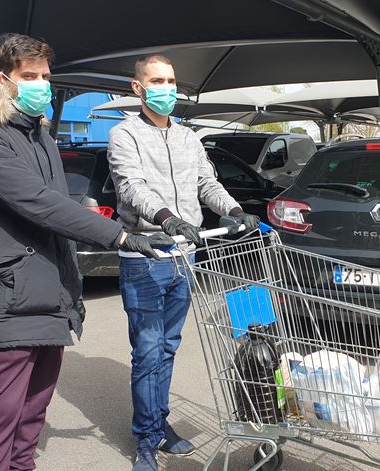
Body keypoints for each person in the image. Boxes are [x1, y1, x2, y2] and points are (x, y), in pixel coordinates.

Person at [0, 33, 172, 471]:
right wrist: (119, 235)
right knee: (1, 417)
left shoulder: (39, 135)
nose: (41, 84)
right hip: (5, 294)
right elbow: (37, 202)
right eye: (29, 76)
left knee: (32, 414)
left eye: (46, 75)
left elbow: (60, 213)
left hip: (51, 289)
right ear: (0, 78)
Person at [107, 54, 260, 470]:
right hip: (146, 258)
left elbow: (206, 182)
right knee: (148, 350)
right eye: (157, 81)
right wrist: (167, 219)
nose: (167, 88)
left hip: (185, 258)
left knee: (169, 347)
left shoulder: (189, 137)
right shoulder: (124, 135)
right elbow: (131, 186)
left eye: (171, 80)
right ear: (139, 88)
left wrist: (233, 210)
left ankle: (159, 424)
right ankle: (144, 438)